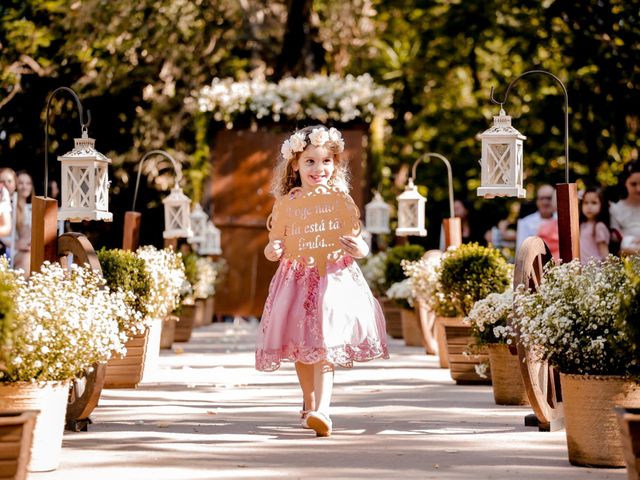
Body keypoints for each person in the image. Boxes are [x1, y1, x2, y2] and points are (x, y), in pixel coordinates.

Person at [255, 125, 389, 437]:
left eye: (326, 161)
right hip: (298, 276)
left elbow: (358, 237)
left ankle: (323, 410)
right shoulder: (288, 204)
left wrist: (362, 248)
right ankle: (309, 401)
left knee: (327, 338)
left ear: (335, 164)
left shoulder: (340, 201)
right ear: (295, 165)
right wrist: (272, 250)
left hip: (335, 277)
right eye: (310, 162)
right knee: (303, 343)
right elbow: (274, 242)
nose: (319, 169)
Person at [516, 184, 558, 256]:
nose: (545, 202)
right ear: (537, 201)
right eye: (541, 198)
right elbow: (521, 250)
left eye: (549, 198)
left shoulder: (561, 220)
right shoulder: (525, 222)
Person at [610, 160, 640, 255]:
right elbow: (615, 247)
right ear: (625, 183)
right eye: (633, 184)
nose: (638, 189)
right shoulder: (615, 209)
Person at [579, 186, 611, 263]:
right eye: (586, 202)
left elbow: (605, 254)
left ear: (602, 205)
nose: (589, 207)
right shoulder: (581, 225)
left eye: (594, 203)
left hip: (596, 270)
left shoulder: (599, 226)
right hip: (583, 270)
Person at [13, 172, 33, 272]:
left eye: (28, 183)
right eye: (21, 183)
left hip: (29, 249)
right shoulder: (11, 207)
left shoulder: (31, 208)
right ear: (15, 185)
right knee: (27, 258)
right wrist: (16, 244)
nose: (25, 187)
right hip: (13, 250)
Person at [0, 168, 17, 258]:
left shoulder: (22, 204)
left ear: (15, 184)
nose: (6, 184)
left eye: (9, 181)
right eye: (2, 181)